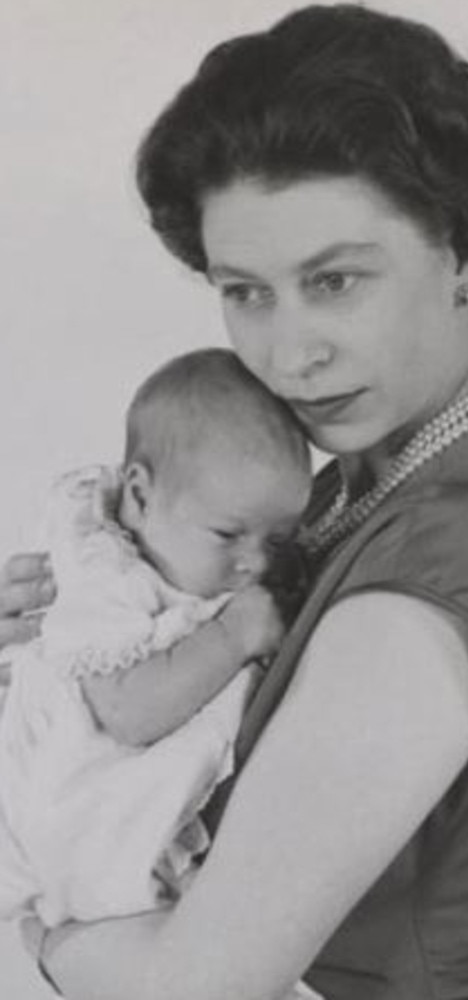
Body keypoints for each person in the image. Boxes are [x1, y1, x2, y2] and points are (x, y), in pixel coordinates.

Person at [0, 5, 468, 1000]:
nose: (288, 354)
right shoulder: (372, 481)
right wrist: (48, 681)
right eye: (245, 290)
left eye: (334, 280)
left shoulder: (432, 580)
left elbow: (196, 988)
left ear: (461, 253)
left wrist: (41, 921)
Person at [0, 349, 311, 938]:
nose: (253, 562)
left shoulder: (195, 559)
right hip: (54, 807)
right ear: (139, 497)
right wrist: (233, 634)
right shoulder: (103, 574)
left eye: (279, 539)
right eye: (229, 533)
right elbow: (127, 713)